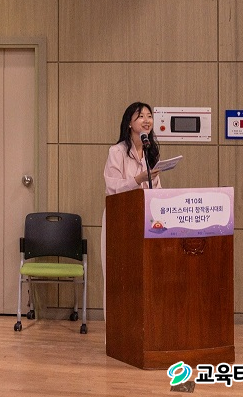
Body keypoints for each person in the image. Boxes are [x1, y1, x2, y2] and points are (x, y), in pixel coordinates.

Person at [101, 101, 162, 323]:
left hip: (145, 220)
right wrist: (138, 179)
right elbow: (112, 187)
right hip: (121, 219)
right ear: (129, 123)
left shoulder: (150, 151)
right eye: (141, 116)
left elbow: (156, 188)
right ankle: (116, 329)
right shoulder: (116, 152)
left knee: (143, 276)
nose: (147, 120)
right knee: (118, 276)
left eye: (149, 116)